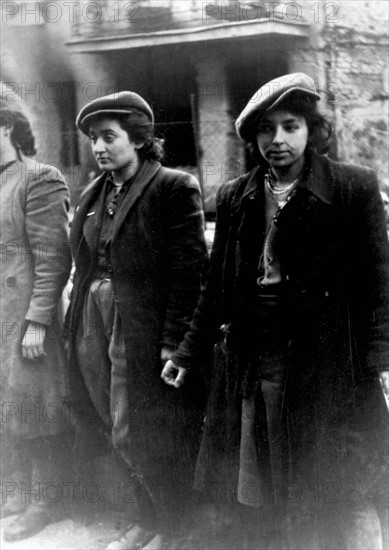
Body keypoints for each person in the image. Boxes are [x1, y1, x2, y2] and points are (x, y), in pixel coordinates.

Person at [163, 73, 389, 549]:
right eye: (267, 129)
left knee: (330, 473)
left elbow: (378, 284)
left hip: (327, 359)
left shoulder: (352, 189)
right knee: (261, 469)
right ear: (253, 137)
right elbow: (217, 289)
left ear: (312, 130)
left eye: (291, 126)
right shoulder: (235, 197)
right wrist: (185, 354)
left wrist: (381, 361)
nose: (278, 140)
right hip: (254, 356)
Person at [67, 91, 207, 549]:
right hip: (95, 315)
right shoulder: (95, 191)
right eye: (93, 140)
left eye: (110, 137)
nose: (100, 147)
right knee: (108, 417)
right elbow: (84, 259)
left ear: (140, 138)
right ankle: (145, 516)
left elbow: (189, 274)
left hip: (140, 321)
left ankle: (172, 523)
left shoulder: (173, 186)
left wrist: (173, 342)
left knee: (140, 426)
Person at [0, 84, 72, 540]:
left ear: (6, 127)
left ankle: (44, 500)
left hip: (26, 315)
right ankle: (16, 492)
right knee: (7, 406)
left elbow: (53, 257)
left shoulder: (40, 177)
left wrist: (38, 321)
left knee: (37, 407)